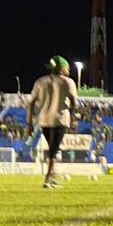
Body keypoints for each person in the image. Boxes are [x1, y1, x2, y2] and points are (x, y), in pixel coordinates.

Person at [26, 55, 78, 189]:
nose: (68, 71)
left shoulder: (40, 81)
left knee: (53, 149)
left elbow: (31, 103)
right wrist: (73, 116)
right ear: (61, 69)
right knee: (53, 151)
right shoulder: (68, 82)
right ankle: (48, 178)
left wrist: (30, 124)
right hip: (60, 120)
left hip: (44, 120)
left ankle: (53, 177)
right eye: (67, 68)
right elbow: (74, 103)